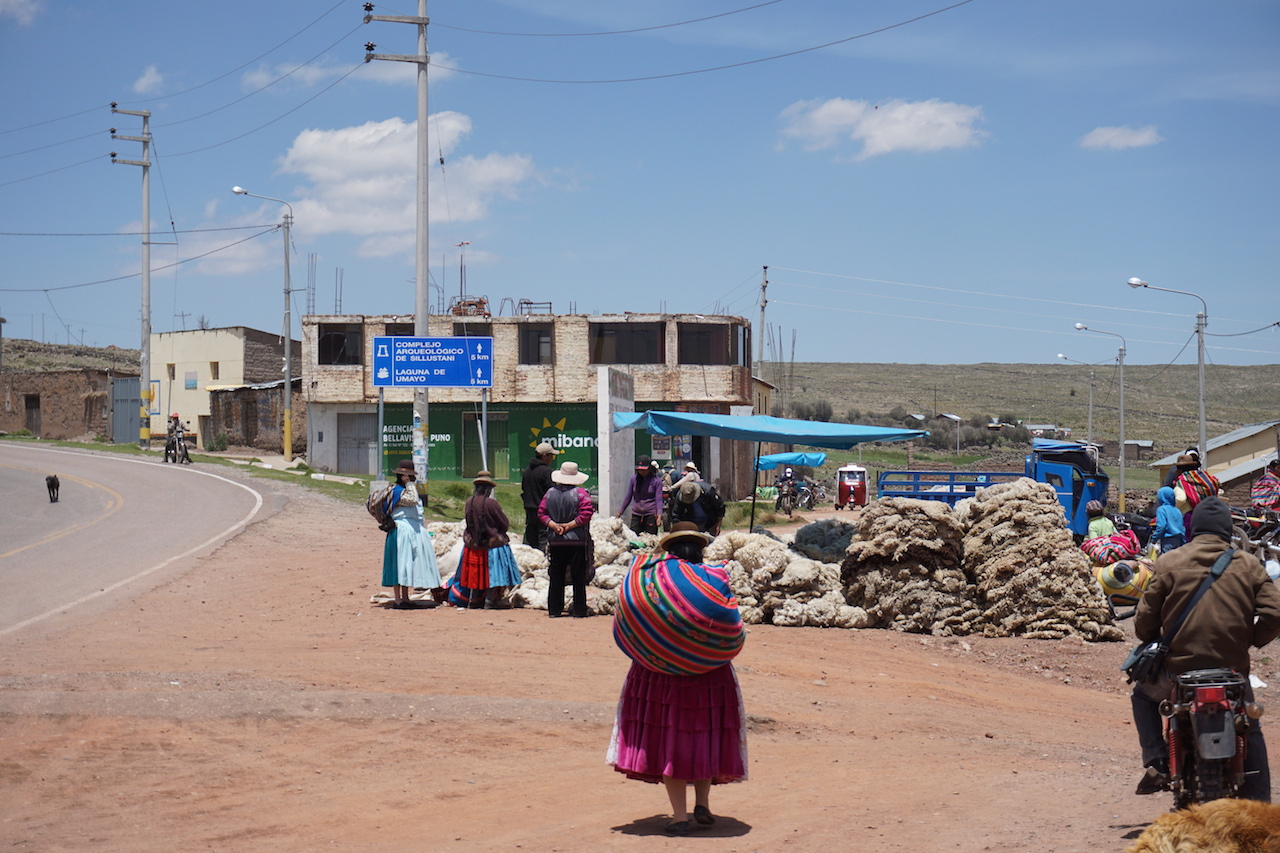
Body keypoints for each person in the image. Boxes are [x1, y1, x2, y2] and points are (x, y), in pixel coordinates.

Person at [1129, 496, 1280, 799]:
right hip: (1233, 670)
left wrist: (1156, 636)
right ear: (1228, 530)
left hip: (1178, 672)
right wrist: (1249, 638)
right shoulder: (1249, 564)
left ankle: (1156, 760)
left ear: (1193, 528)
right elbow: (1275, 614)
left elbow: (1144, 621)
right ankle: (1259, 801)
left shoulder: (1169, 562)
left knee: (1142, 697)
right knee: (1250, 727)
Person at [608, 522, 747, 835]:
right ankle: (702, 805)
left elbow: (629, 610)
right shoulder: (714, 578)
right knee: (703, 737)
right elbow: (732, 622)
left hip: (658, 675)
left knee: (671, 741)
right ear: (699, 550)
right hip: (709, 675)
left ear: (668, 549)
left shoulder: (646, 574)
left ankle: (680, 817)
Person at [380, 459, 442, 609]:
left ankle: (405, 597)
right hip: (400, 531)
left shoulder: (402, 491)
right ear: (403, 476)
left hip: (409, 531)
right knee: (399, 564)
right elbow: (413, 500)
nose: (413, 479)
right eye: (409, 476)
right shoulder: (397, 492)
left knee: (407, 564)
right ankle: (398, 599)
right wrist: (409, 484)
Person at [538, 460, 594, 618]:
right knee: (578, 575)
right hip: (576, 540)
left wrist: (554, 525)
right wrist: (569, 525)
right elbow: (586, 513)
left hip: (556, 539)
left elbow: (542, 513)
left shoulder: (549, 493)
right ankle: (579, 610)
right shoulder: (581, 494)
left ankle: (554, 610)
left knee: (556, 574)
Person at [460, 471, 523, 609]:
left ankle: (473, 600)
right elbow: (504, 523)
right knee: (494, 574)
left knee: (475, 575)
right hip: (491, 545)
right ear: (488, 489)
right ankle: (489, 600)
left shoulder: (469, 502)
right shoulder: (491, 504)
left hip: (473, 543)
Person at [521, 442, 559, 550]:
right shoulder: (547, 472)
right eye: (551, 456)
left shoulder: (527, 471)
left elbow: (524, 488)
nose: (552, 458)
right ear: (544, 456)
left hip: (529, 511)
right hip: (543, 512)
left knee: (531, 541)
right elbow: (552, 492)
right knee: (543, 539)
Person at [616, 454, 663, 535]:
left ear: (650, 468)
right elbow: (628, 496)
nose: (642, 472)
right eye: (640, 470)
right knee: (633, 538)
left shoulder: (656, 481)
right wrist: (620, 511)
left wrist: (659, 515)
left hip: (650, 514)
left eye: (644, 470)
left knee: (650, 540)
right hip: (636, 514)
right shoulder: (634, 479)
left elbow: (659, 499)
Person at [1150, 486, 1186, 554]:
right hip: (1178, 539)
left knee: (1166, 561)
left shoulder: (1162, 509)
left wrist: (1154, 539)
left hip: (1168, 540)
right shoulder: (1177, 510)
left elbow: (1161, 526)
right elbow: (1182, 527)